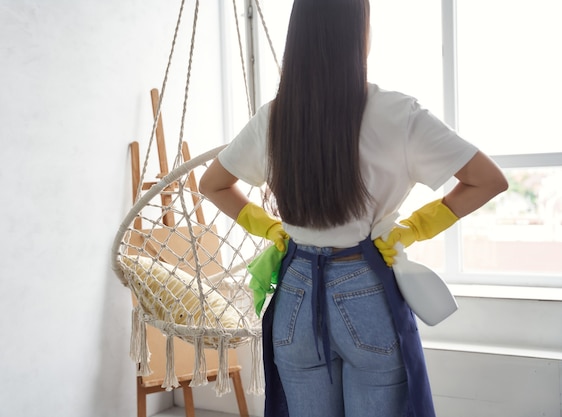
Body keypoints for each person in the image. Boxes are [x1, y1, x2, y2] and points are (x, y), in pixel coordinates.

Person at [199, 0, 508, 415]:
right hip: (364, 287)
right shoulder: (399, 114)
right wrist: (413, 229)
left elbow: (212, 184)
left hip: (295, 293)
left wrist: (272, 228)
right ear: (359, 34)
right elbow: (488, 180)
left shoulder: (273, 118)